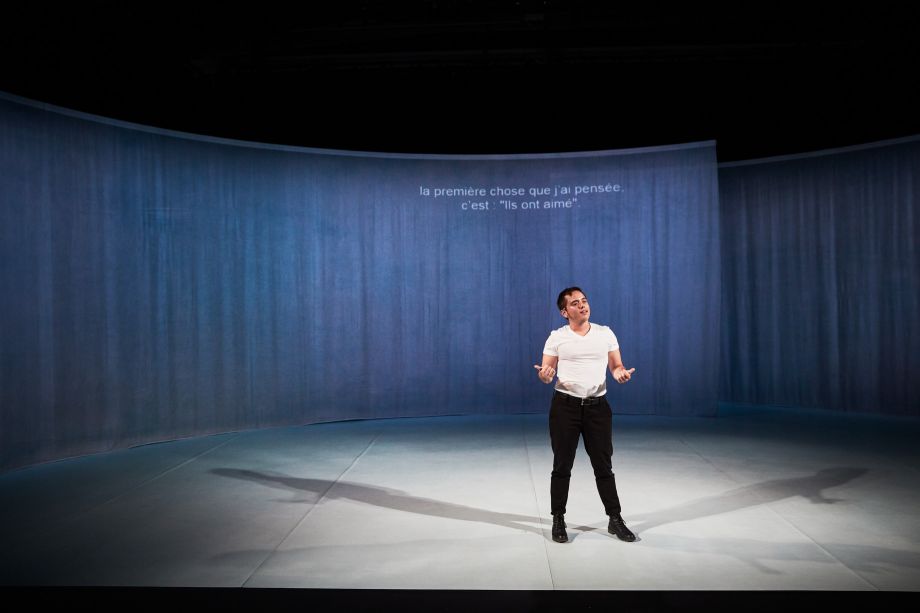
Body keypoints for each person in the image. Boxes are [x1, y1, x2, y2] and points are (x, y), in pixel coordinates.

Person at [534, 287, 636, 543]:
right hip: (565, 408)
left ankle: (615, 519)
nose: (582, 306)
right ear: (564, 311)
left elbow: (616, 365)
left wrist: (620, 374)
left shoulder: (605, 333)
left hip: (597, 409)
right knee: (562, 466)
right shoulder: (557, 337)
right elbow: (546, 372)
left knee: (604, 466)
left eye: (584, 301)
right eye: (575, 303)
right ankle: (558, 518)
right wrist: (545, 375)